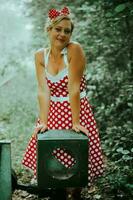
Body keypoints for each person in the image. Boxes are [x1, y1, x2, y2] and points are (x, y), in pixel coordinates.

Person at [22, 6, 104, 199]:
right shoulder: (40, 56)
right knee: (54, 166)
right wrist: (43, 121)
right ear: (49, 30)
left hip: (76, 110)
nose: (63, 34)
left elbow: (73, 88)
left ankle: (75, 194)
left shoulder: (75, 50)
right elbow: (43, 90)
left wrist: (76, 122)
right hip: (52, 113)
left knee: (76, 172)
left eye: (67, 31)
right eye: (58, 29)